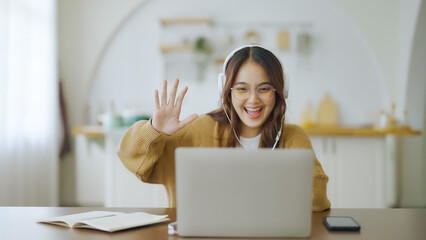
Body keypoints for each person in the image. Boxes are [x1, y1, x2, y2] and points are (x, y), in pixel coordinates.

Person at [117, 45, 331, 212]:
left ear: (280, 91)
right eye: (242, 89)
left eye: (264, 89)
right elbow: (133, 160)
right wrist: (155, 130)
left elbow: (316, 198)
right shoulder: (197, 130)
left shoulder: (292, 137)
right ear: (227, 92)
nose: (253, 100)